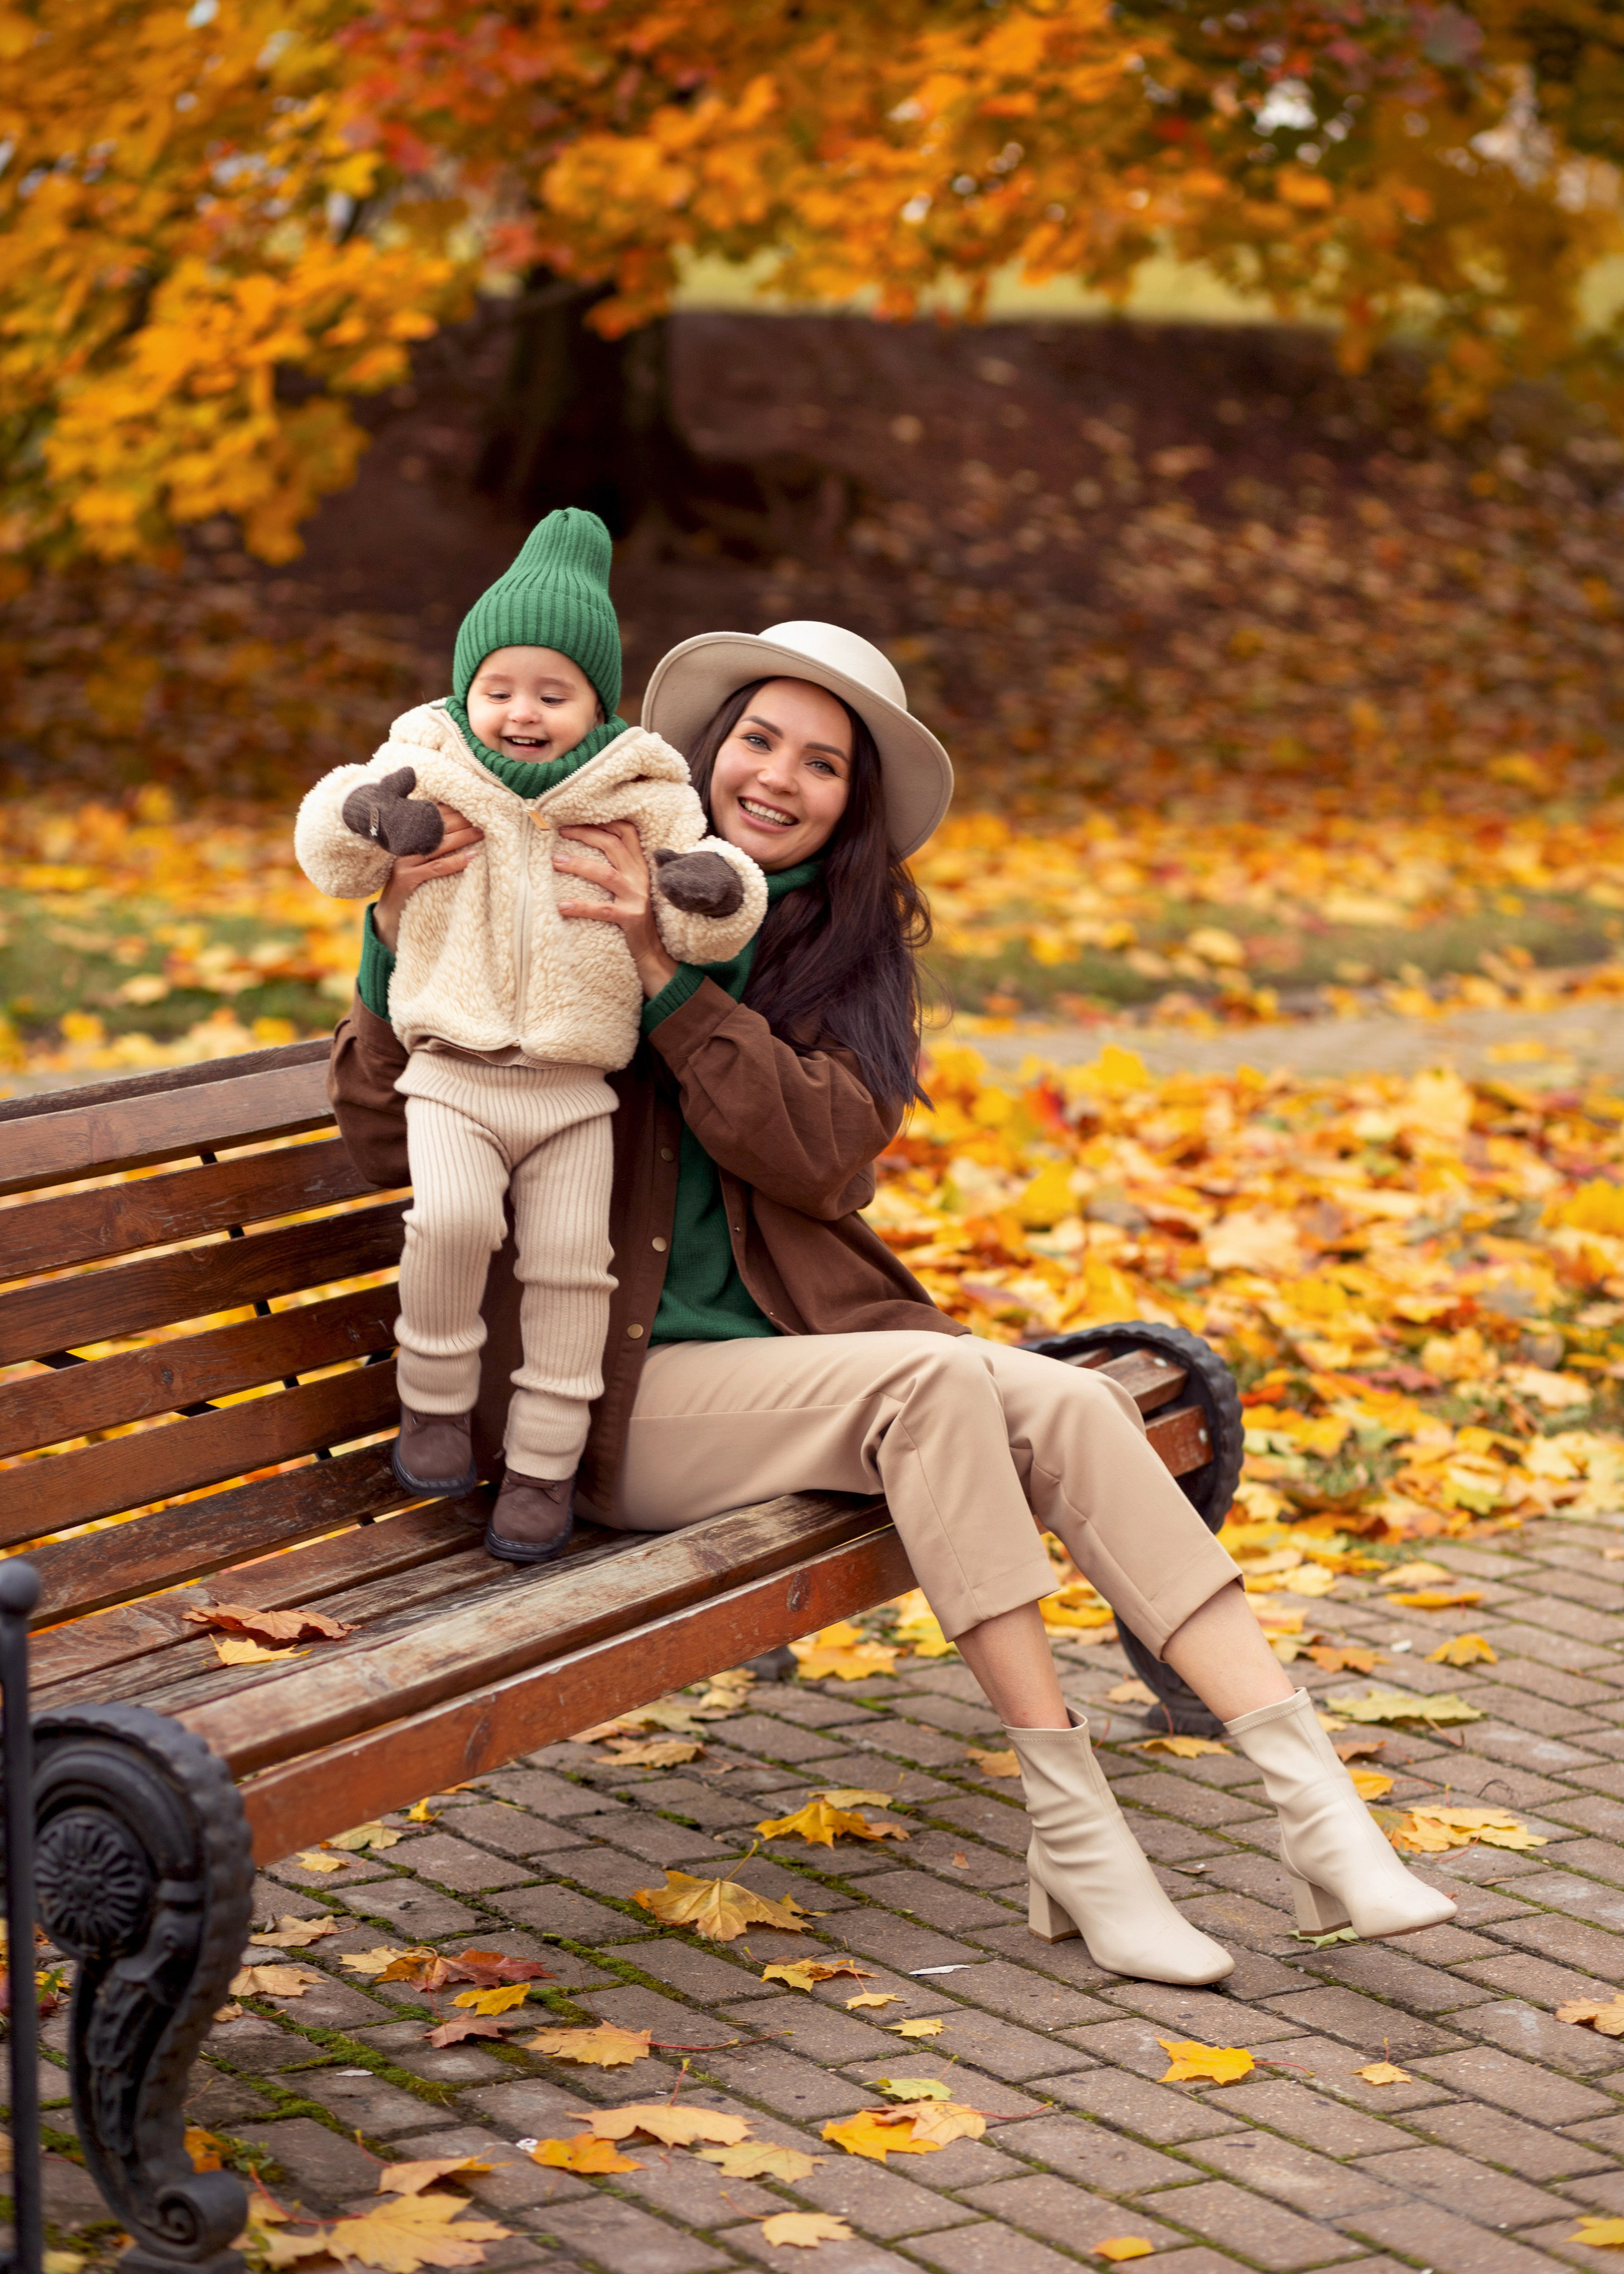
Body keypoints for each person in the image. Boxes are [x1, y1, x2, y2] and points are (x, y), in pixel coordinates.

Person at [328, 616, 1455, 1986]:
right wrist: (396, 935)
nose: (777, 778)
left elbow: (818, 1159)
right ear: (701, 749)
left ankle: (1315, 1804)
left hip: (784, 1373)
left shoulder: (835, 952)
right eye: (756, 740)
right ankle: (1077, 1831)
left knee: (1065, 1400)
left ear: (852, 806)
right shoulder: (547, 886)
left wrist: (670, 982)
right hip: (597, 1401)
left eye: (821, 763)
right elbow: (388, 1144)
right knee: (935, 1386)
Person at [296, 510, 767, 1567]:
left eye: (553, 694)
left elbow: (717, 898)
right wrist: (374, 820)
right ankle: (434, 1408)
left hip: (572, 1088)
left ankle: (546, 1472)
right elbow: (327, 837)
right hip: (452, 1072)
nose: (521, 712)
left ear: (597, 705)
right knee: (453, 1224)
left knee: (570, 1268)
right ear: (467, 687)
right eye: (500, 688)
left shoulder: (639, 795)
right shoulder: (428, 760)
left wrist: (697, 889)